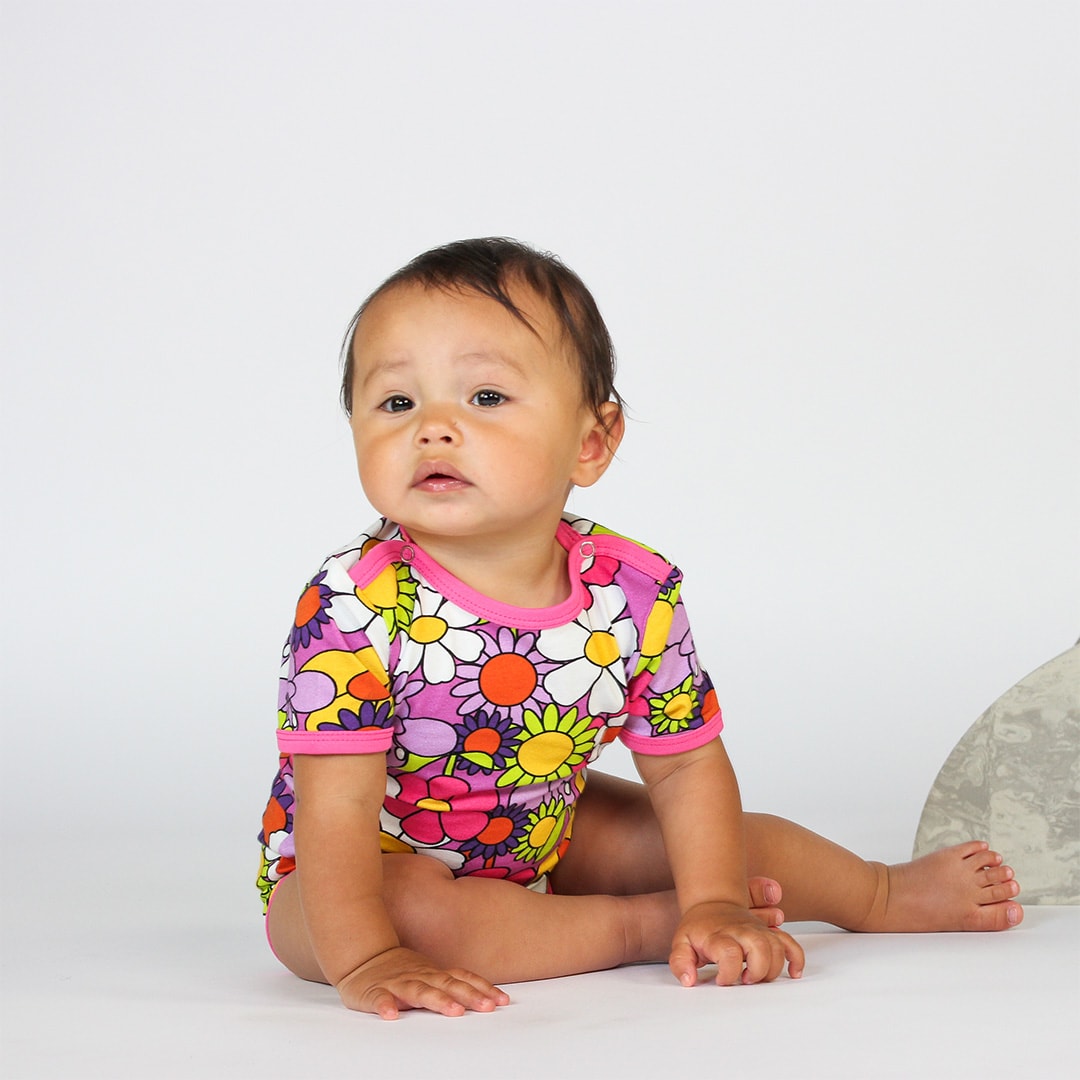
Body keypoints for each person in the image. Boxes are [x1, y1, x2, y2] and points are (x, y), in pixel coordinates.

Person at [257, 237, 1023, 1020]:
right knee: (417, 914)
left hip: (540, 824)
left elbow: (687, 768)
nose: (434, 428)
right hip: (361, 870)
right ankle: (643, 925)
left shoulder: (630, 591)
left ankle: (877, 890)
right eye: (397, 403)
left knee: (719, 838)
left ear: (592, 443)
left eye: (485, 397)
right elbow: (337, 813)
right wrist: (368, 957)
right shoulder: (353, 603)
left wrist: (716, 890)